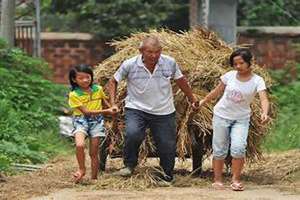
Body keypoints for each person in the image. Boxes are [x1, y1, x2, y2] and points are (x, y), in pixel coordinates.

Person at [108, 36, 199, 183]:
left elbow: (181, 80)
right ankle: (129, 165)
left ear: (161, 51)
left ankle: (167, 174)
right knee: (133, 133)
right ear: (141, 51)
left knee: (166, 143)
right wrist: (113, 103)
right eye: (149, 52)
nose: (154, 55)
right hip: (136, 108)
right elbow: (113, 81)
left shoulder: (169, 62)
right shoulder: (130, 64)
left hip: (163, 110)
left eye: (157, 52)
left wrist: (192, 98)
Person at [198, 48, 269, 191]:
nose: (238, 66)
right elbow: (217, 91)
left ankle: (236, 180)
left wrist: (265, 113)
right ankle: (217, 180)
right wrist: (203, 101)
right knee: (219, 149)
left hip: (241, 119)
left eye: (241, 63)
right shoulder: (229, 76)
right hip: (221, 116)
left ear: (250, 62)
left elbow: (263, 99)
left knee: (238, 148)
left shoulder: (257, 80)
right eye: (235, 64)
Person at [68, 64, 115, 183]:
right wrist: (107, 111)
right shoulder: (73, 95)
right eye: (81, 78)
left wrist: (113, 108)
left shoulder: (98, 89)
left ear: (91, 77)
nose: (85, 80)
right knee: (79, 145)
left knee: (94, 152)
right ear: (74, 80)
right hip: (81, 120)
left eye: (87, 77)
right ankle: (82, 169)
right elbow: (86, 112)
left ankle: (94, 178)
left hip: (97, 121)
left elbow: (105, 103)